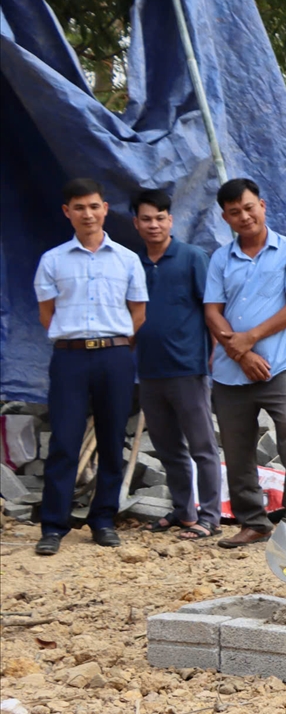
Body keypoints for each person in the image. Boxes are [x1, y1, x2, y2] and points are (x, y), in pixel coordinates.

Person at [31, 178, 148, 555]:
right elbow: (47, 315)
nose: (88, 214)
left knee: (113, 441)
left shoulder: (128, 259)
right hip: (69, 358)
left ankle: (102, 520)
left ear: (104, 208)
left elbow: (139, 314)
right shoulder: (52, 260)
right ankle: (53, 525)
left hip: (114, 357)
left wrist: (112, 345)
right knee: (64, 440)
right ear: (67, 212)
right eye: (79, 208)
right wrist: (76, 341)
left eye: (94, 206)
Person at [205, 178, 286, 548]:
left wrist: (252, 337)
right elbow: (212, 311)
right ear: (225, 217)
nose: (244, 216)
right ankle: (254, 521)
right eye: (235, 212)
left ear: (262, 206)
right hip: (230, 371)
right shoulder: (221, 258)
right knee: (236, 448)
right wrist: (241, 352)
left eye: (249, 208)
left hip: (280, 366)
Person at [131, 189, 221, 540]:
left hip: (188, 368)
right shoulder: (134, 264)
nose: (154, 225)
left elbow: (211, 309)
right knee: (169, 447)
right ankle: (184, 511)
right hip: (149, 372)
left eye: (160, 218)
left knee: (202, 446)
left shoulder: (192, 257)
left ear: (170, 220)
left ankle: (210, 516)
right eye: (146, 219)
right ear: (136, 223)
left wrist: (213, 355)